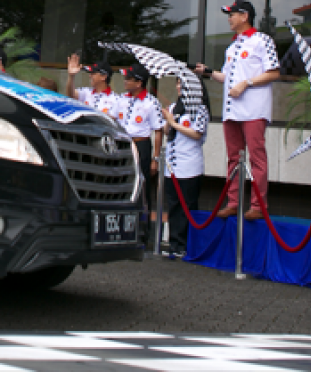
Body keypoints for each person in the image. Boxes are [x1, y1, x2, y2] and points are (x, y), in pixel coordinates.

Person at [196, 0, 279, 220]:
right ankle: (233, 201)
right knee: (233, 157)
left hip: (254, 109)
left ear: (245, 16)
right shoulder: (232, 47)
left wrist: (247, 83)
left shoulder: (262, 41)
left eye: (232, 14)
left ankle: (258, 205)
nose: (229, 18)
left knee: (256, 157)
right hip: (232, 109)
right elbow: (227, 77)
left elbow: (273, 72)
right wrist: (209, 72)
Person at [161, 77, 209, 258]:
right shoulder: (175, 106)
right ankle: (174, 243)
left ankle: (187, 245)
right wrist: (168, 120)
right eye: (178, 83)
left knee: (187, 206)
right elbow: (168, 132)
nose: (180, 86)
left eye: (183, 83)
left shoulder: (200, 108)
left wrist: (174, 123)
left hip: (190, 166)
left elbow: (197, 133)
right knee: (173, 206)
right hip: (173, 165)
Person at [119, 63, 165, 229]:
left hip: (141, 145)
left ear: (139, 83)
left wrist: (155, 158)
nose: (125, 81)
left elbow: (158, 131)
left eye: (128, 79)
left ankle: (143, 229)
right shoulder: (122, 99)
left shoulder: (151, 102)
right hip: (123, 145)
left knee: (142, 188)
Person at [65, 53, 122, 118]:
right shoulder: (86, 92)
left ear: (103, 77)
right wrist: (71, 76)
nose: (90, 76)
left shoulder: (116, 99)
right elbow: (70, 95)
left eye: (93, 73)